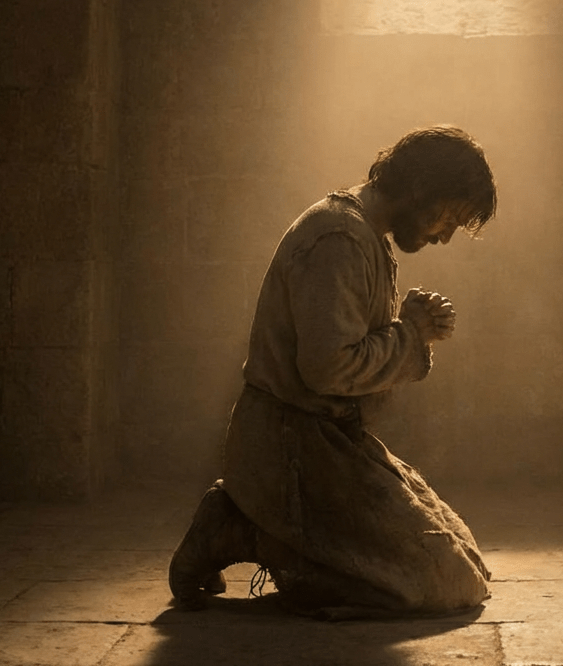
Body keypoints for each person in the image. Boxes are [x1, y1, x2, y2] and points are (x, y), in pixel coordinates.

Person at [168, 125, 497, 618]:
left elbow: (355, 353)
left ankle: (255, 521)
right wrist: (409, 335)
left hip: (328, 443)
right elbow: (328, 370)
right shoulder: (338, 238)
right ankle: (243, 530)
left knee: (463, 562)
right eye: (444, 218)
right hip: (289, 447)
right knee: (437, 580)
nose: (443, 237)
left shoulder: (369, 237)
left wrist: (408, 325)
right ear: (417, 189)